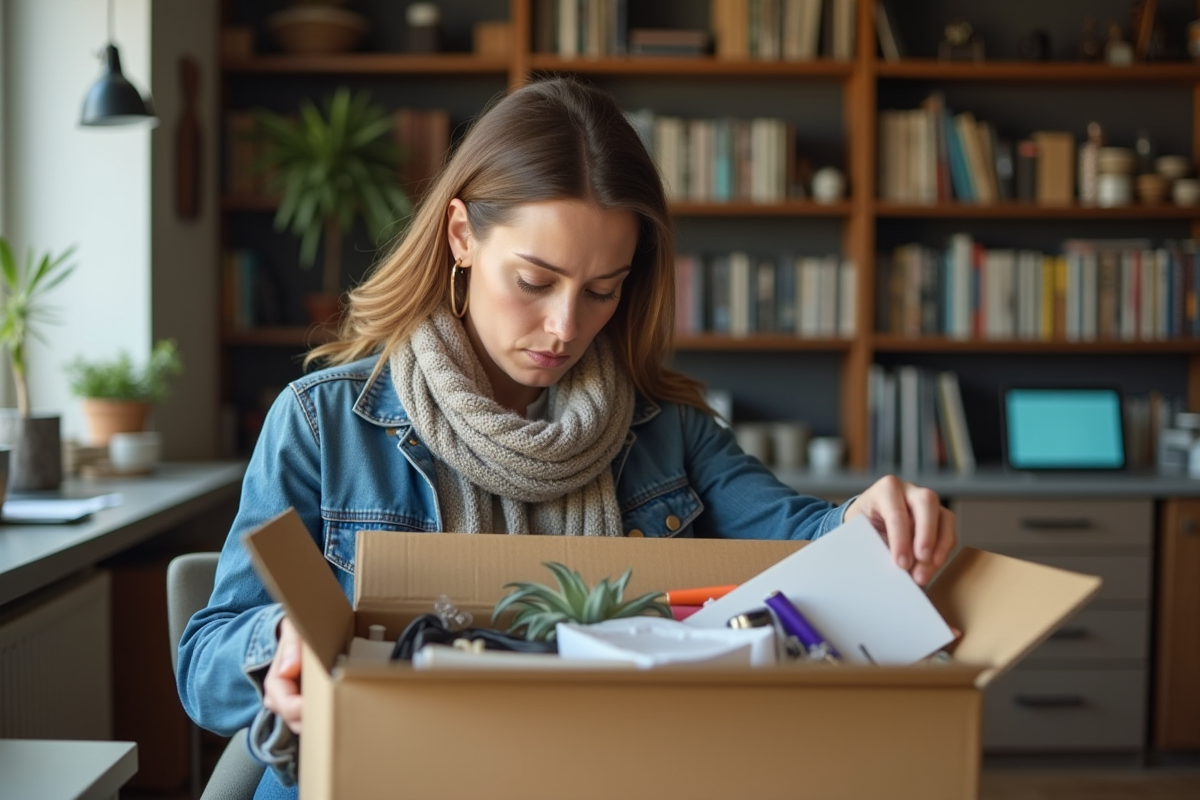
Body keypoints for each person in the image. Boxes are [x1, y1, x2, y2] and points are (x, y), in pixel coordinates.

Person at [176, 76, 956, 799]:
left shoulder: (668, 434)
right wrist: (280, 641)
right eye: (535, 281)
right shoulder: (324, 423)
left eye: (602, 291)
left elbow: (804, 540)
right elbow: (204, 657)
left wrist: (865, 522)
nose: (565, 327)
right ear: (460, 235)